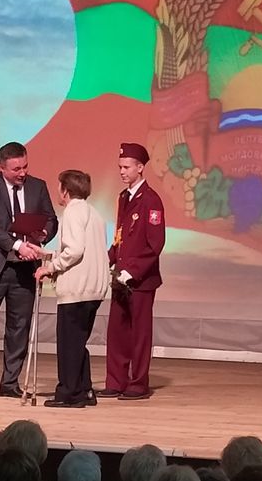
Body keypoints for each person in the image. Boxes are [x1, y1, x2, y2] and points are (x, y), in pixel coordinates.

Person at [0, 142, 58, 400]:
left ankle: (10, 382)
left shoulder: (37, 186)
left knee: (19, 327)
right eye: (16, 169)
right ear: (2, 167)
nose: (22, 173)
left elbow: (51, 219)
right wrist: (17, 245)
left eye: (25, 166)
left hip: (24, 269)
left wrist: (42, 235)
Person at [35, 170, 109, 408]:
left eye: (59, 187)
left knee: (69, 343)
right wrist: (49, 255)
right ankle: (84, 389)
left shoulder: (73, 211)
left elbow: (75, 250)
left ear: (65, 190)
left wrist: (50, 267)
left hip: (77, 288)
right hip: (93, 287)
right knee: (78, 342)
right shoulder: (94, 213)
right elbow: (83, 249)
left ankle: (69, 393)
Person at [99, 142, 165, 401]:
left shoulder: (151, 200)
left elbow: (155, 244)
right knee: (117, 332)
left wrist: (133, 271)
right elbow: (120, 237)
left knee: (139, 334)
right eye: (120, 167)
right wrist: (105, 260)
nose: (122, 171)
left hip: (141, 280)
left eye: (126, 167)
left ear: (140, 167)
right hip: (121, 277)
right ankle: (116, 381)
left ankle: (138, 383)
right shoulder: (123, 197)